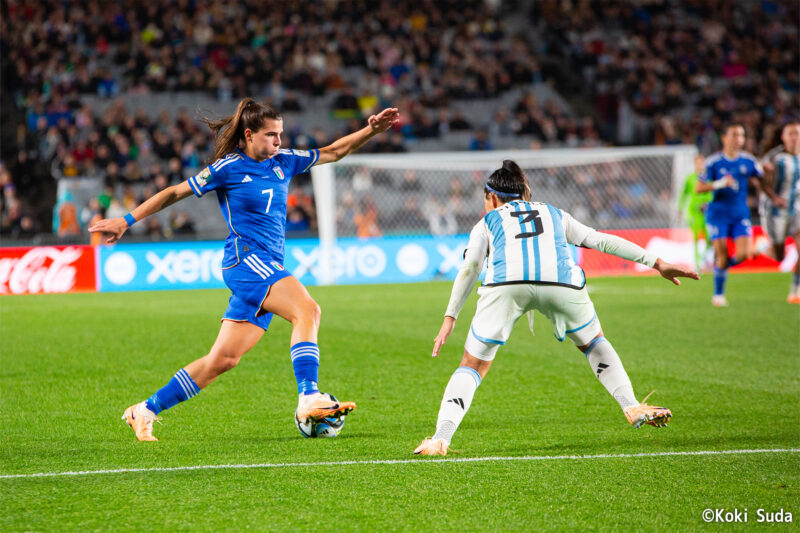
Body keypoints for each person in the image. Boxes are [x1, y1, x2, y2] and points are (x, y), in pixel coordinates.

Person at [90, 98, 400, 441]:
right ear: (249, 135)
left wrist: (370, 130)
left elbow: (332, 152)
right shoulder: (228, 168)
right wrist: (127, 220)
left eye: (281, 134)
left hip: (267, 266)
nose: (279, 142)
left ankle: (144, 409)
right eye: (271, 135)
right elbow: (175, 192)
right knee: (307, 310)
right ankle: (309, 396)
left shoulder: (285, 161)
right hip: (245, 260)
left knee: (222, 360)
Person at [414, 160, 698, 456]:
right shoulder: (553, 213)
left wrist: (450, 317)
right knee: (594, 343)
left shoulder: (487, 221)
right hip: (561, 283)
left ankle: (440, 440)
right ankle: (632, 406)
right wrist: (657, 262)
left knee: (472, 365)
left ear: (492, 198)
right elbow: (598, 240)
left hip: (506, 285)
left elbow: (471, 266)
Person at [696, 123, 768, 306]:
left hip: (739, 215)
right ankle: (718, 295)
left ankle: (721, 268)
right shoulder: (713, 162)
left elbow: (762, 181)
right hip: (717, 214)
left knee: (742, 255)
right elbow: (699, 188)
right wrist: (719, 184)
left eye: (742, 135)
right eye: (735, 135)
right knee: (722, 253)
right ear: (724, 138)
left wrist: (770, 189)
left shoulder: (749, 161)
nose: (739, 139)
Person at [758, 122, 800, 303]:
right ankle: (761, 247)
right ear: (783, 136)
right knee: (780, 255)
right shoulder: (774, 157)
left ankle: (795, 291)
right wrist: (774, 197)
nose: (794, 137)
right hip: (775, 211)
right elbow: (760, 181)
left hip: (797, 208)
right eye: (790, 133)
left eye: (797, 133)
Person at [678, 154, 713, 271]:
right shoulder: (690, 178)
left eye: (701, 163)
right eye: (697, 163)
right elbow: (684, 194)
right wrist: (680, 208)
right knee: (696, 238)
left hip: (707, 212)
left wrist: (708, 203)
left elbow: (711, 193)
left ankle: (706, 260)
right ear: (694, 164)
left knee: (709, 238)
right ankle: (697, 265)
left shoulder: (708, 178)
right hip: (694, 212)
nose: (699, 165)